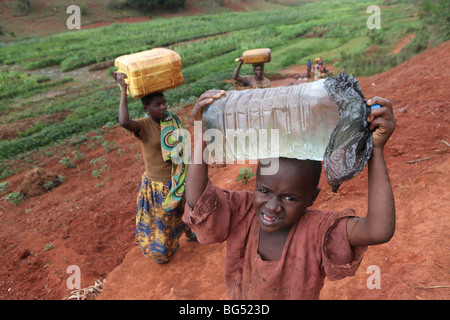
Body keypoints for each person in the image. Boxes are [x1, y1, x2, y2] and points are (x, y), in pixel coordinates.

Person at [183, 90, 396, 299]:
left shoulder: (318, 231)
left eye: (290, 198)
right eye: (264, 191)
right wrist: (203, 131)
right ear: (255, 184)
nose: (273, 206)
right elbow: (199, 201)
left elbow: (377, 230)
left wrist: (376, 150)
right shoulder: (243, 211)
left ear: (312, 198)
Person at [113, 71, 196, 264]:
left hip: (177, 178)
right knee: (164, 220)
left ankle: (190, 233)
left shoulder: (172, 121)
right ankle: (163, 250)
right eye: (157, 105)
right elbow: (124, 122)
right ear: (146, 108)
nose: (163, 107)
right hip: (158, 184)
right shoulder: (143, 126)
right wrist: (123, 90)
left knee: (184, 208)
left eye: (164, 103)